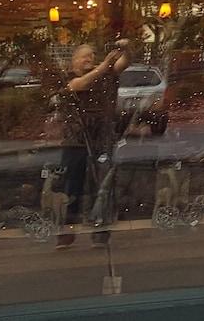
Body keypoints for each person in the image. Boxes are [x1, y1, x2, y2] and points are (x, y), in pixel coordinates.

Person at [55, 40, 128, 249]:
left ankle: (100, 231)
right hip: (75, 142)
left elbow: (123, 64)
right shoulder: (70, 78)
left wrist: (127, 49)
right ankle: (66, 232)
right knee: (72, 187)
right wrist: (103, 66)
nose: (89, 59)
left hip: (100, 142)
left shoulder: (105, 75)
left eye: (92, 55)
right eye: (84, 56)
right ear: (74, 61)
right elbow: (78, 86)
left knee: (102, 186)